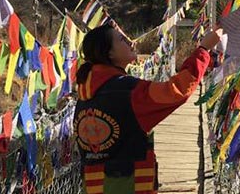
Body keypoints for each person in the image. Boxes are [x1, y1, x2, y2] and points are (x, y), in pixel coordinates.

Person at [74, 21, 223, 194]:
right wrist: (204, 50)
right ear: (110, 53)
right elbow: (177, 90)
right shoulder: (128, 91)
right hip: (131, 184)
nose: (130, 42)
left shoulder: (85, 94)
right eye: (121, 40)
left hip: (94, 184)